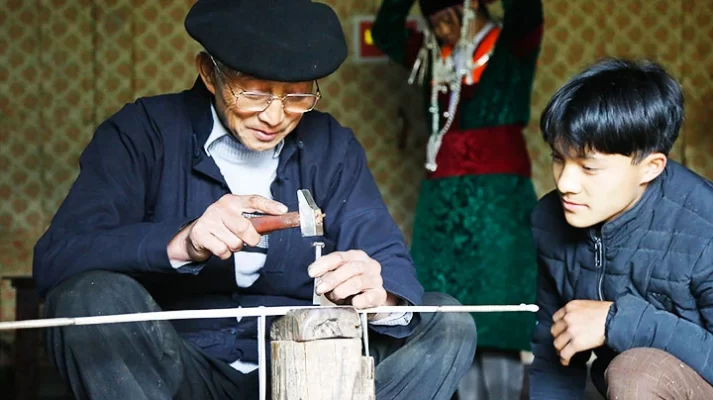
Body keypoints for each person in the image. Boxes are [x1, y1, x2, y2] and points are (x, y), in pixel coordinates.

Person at [32, 1, 477, 399]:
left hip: (312, 369)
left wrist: (382, 294)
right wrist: (181, 242)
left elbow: (386, 256)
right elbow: (58, 258)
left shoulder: (330, 145)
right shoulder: (142, 132)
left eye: (297, 95)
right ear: (209, 73)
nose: (274, 115)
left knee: (448, 322)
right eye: (255, 93)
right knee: (89, 297)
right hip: (177, 372)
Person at [372, 0, 543, 398]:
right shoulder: (433, 54)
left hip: (498, 199)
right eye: (435, 23)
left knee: (500, 300)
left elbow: (526, 11)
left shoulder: (511, 44)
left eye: (449, 19)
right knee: (439, 303)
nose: (443, 31)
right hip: (441, 201)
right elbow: (385, 31)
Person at [529, 58, 713, 399]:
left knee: (638, 372)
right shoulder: (549, 220)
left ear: (650, 167)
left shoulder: (704, 225)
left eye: (588, 167)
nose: (565, 183)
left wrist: (617, 321)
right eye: (558, 158)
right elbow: (554, 352)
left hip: (672, 384)